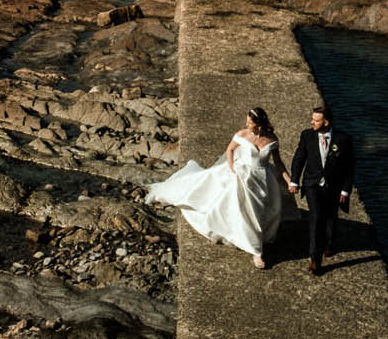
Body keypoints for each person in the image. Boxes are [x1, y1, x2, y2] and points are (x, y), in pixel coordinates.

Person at [145, 108, 291, 269]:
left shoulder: (271, 139)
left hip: (263, 179)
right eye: (247, 122)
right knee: (246, 211)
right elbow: (230, 150)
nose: (246, 124)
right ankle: (256, 251)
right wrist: (232, 168)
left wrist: (290, 181)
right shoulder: (242, 134)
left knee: (260, 210)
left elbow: (278, 163)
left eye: (250, 123)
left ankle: (256, 240)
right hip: (242, 176)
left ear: (259, 125)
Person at [287, 102, 355, 276]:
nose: (312, 123)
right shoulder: (307, 136)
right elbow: (299, 159)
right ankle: (315, 260)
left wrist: (345, 191)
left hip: (334, 186)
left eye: (316, 120)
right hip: (312, 184)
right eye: (312, 119)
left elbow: (349, 167)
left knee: (331, 216)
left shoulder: (343, 139)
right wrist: (294, 180)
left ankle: (329, 244)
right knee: (316, 218)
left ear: (326, 122)